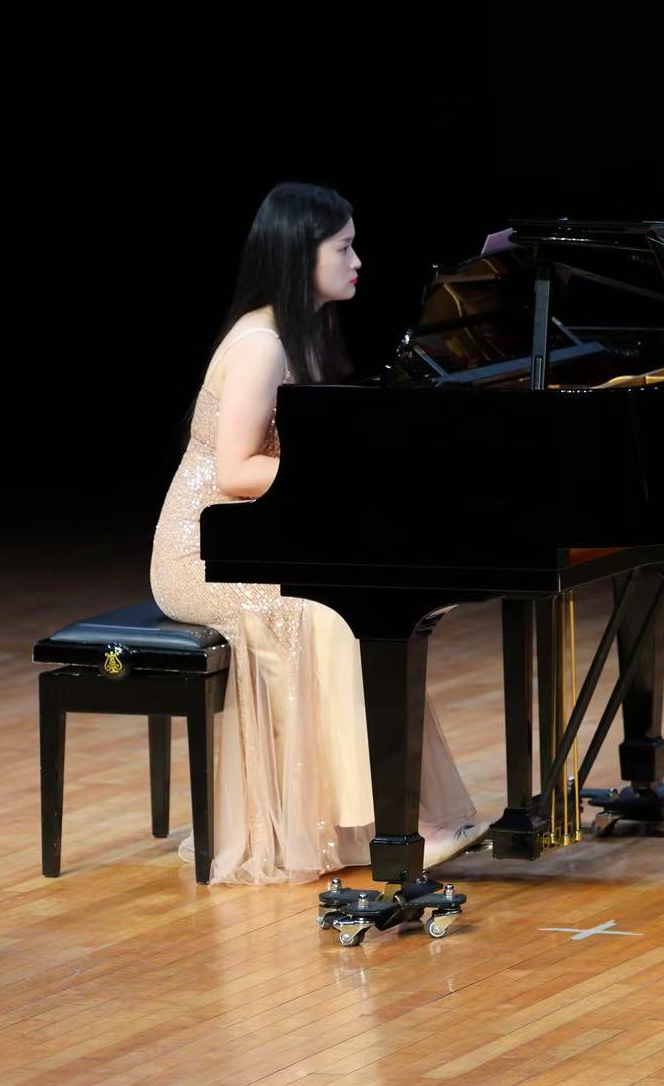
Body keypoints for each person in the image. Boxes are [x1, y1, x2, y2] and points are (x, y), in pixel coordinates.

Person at [150, 181, 479, 884]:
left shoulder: (303, 334)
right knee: (326, 616)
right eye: (344, 248)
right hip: (200, 553)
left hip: (248, 543)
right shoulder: (261, 344)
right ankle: (380, 826)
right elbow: (235, 472)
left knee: (363, 609)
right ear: (302, 255)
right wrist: (338, 477)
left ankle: (383, 817)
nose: (358, 261)